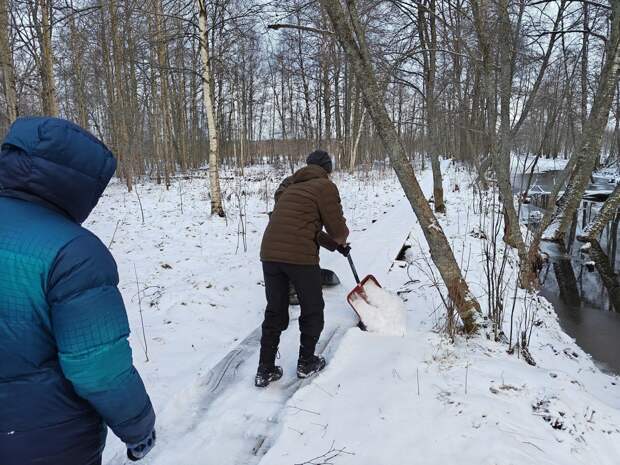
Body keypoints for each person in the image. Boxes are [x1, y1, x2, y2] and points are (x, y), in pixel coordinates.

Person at [0, 117, 156, 465]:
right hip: (45, 441)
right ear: (80, 182)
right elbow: (97, 367)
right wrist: (138, 425)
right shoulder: (74, 252)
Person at [256, 150, 350, 387]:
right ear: (327, 170)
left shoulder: (291, 186)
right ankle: (306, 362)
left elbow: (307, 228)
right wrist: (341, 239)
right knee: (313, 308)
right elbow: (338, 231)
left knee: (275, 310)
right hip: (299, 256)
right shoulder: (325, 187)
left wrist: (335, 248)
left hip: (269, 253)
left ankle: (265, 369)